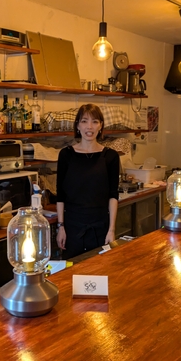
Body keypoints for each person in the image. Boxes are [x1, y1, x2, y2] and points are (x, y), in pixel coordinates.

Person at [56, 104, 120, 259]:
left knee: (100, 269)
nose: (89, 127)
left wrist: (111, 230)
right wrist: (61, 227)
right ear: (78, 125)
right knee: (72, 270)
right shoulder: (66, 155)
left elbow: (113, 196)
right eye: (84, 121)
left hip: (101, 227)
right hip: (72, 227)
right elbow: (60, 195)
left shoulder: (110, 156)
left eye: (95, 121)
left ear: (101, 126)